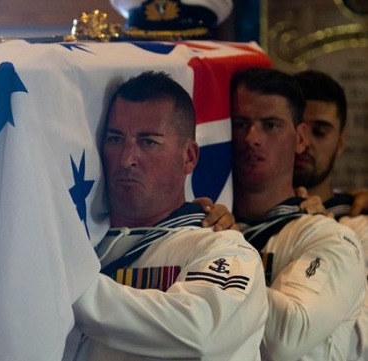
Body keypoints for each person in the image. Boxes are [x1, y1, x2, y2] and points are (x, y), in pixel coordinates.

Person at [69, 71, 268, 360]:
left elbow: (199, 331)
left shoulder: (222, 249)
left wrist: (63, 286)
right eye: (115, 139)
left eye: (148, 142)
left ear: (189, 157)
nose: (127, 159)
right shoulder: (86, 244)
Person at [230, 67, 365, 360]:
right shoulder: (216, 219)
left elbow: (294, 335)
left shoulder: (347, 228)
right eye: (239, 123)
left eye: (271, 125)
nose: (252, 138)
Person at [292, 69, 368, 360]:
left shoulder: (358, 221)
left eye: (320, 131)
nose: (304, 143)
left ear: (341, 141)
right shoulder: (245, 214)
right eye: (297, 128)